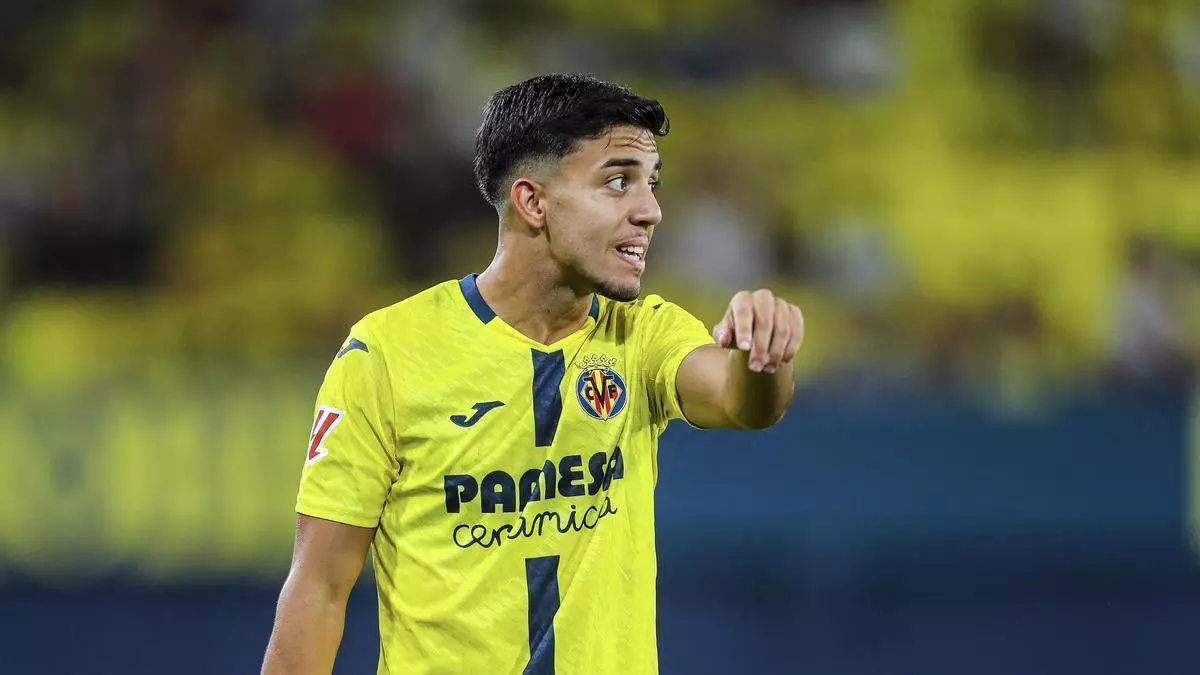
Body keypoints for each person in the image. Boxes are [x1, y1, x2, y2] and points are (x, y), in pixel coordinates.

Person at [261, 73, 804, 675]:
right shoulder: (387, 354)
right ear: (533, 202)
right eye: (618, 181)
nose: (650, 211)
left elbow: (744, 404)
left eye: (651, 184)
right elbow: (320, 587)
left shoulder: (642, 335)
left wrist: (764, 357)